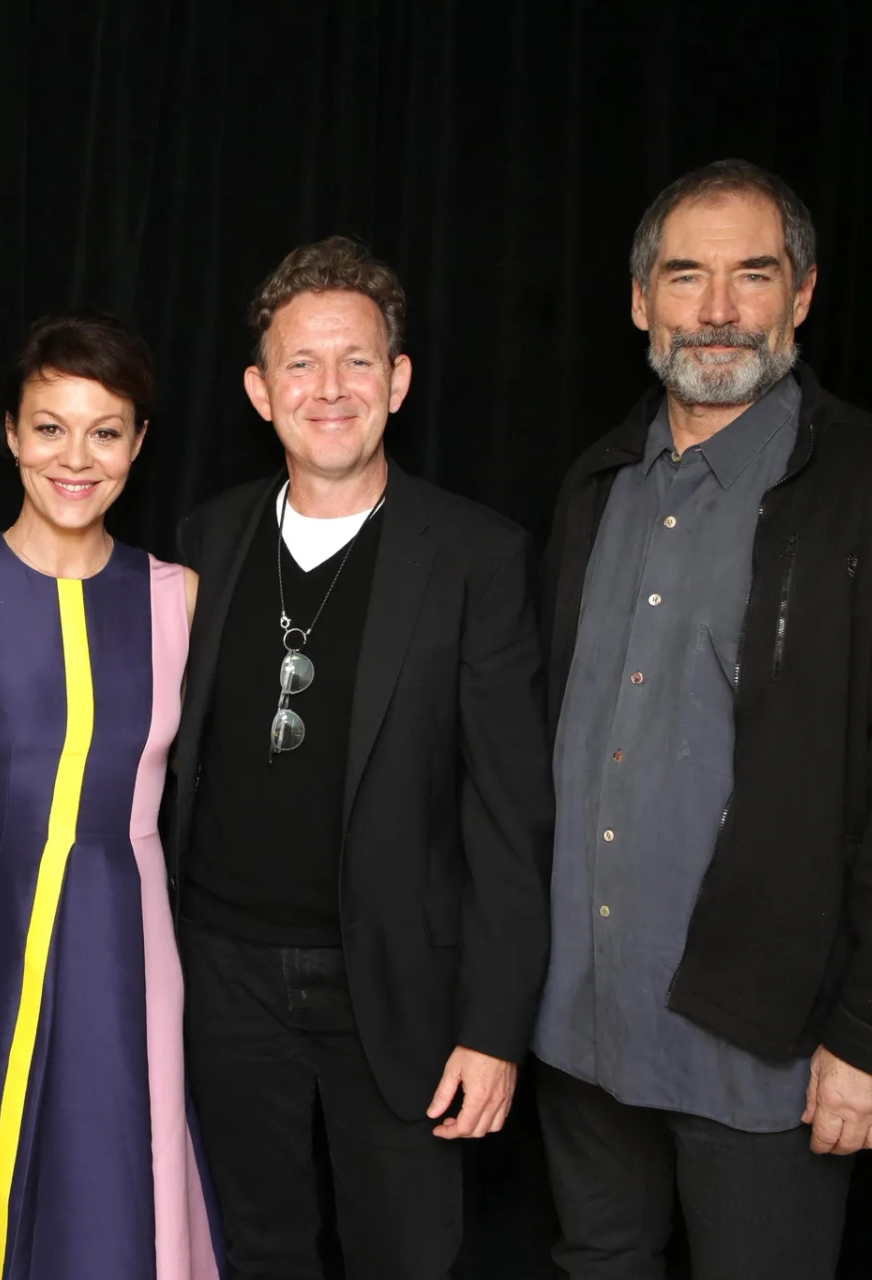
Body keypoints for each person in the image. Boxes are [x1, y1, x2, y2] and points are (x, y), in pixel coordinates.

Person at [533, 159, 872, 1279]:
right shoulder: (597, 485)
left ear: (803, 293)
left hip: (766, 1044)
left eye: (754, 274)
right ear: (642, 301)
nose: (720, 308)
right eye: (687, 276)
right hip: (578, 1025)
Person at [163, 237, 554, 1278]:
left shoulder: (477, 554)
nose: (328, 388)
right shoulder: (205, 539)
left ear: (399, 379)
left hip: (399, 987)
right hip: (221, 973)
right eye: (300, 363)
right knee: (259, 1252)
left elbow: (513, 811)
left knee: (405, 1257)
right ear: (258, 389)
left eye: (356, 360)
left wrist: (496, 1026)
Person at [0, 312, 219, 1280]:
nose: (77, 456)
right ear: (11, 434)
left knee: (115, 1180)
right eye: (50, 426)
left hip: (128, 938)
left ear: (140, 443)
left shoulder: (178, 595)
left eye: (105, 429)